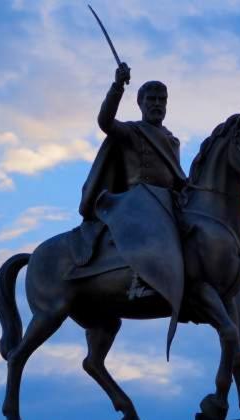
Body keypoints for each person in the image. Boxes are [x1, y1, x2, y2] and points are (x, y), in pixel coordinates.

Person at [77, 62, 187, 357]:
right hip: (136, 199)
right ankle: (141, 278)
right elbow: (105, 121)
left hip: (167, 198)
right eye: (151, 100)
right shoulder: (131, 132)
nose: (157, 105)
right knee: (152, 222)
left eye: (161, 100)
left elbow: (176, 175)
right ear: (140, 103)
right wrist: (117, 86)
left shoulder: (172, 140)